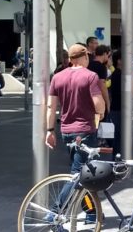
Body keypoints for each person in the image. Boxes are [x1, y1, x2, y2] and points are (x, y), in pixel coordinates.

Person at [45, 44, 105, 218]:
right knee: (78, 174)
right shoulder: (90, 76)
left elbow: (51, 106)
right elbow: (98, 103)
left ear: (70, 59)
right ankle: (55, 213)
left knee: (83, 172)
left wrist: (50, 130)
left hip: (66, 131)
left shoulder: (57, 77)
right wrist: (100, 113)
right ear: (84, 56)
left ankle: (91, 213)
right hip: (85, 130)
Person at [106, 50, 125, 157]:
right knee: (118, 135)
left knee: (118, 135)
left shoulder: (117, 73)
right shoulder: (118, 74)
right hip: (118, 109)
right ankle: (117, 157)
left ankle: (117, 156)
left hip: (117, 108)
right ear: (119, 61)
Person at [88, 44, 111, 115]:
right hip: (97, 101)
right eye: (108, 55)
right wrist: (107, 102)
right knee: (97, 124)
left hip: (87, 99)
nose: (108, 58)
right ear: (104, 54)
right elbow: (102, 85)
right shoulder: (101, 67)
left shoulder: (88, 64)